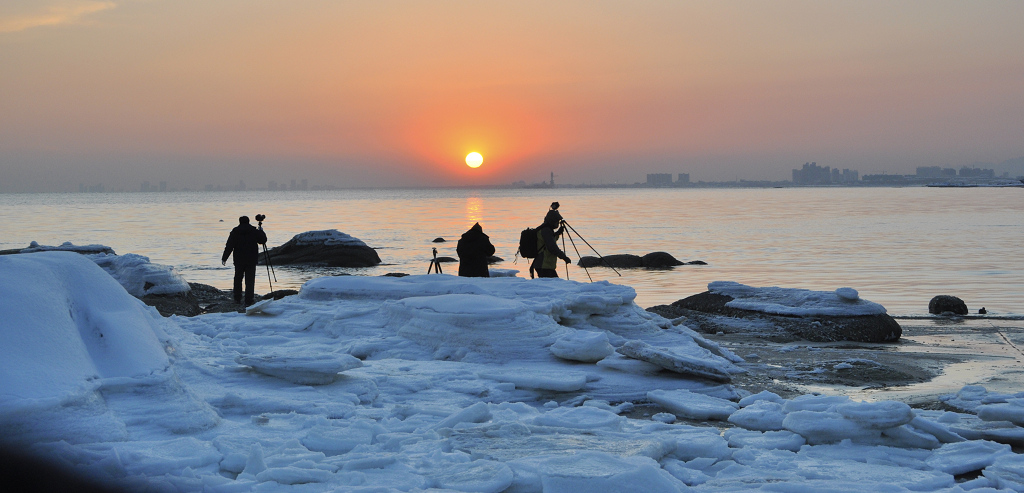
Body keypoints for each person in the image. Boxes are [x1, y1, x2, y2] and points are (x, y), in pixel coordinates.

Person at [221, 216, 268, 306]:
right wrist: (261, 231)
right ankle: (249, 300)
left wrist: (224, 258)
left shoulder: (235, 232)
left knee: (238, 278)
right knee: (250, 280)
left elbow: (229, 246)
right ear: (248, 221)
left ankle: (237, 298)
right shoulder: (254, 231)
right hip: (251, 259)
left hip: (239, 259)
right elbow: (263, 240)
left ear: (239, 222)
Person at [531, 202, 571, 278]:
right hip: (544, 265)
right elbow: (552, 247)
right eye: (557, 222)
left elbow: (548, 241)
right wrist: (564, 257)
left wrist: (558, 233)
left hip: (545, 265)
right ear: (552, 221)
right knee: (554, 285)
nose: (558, 224)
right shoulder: (546, 230)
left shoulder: (546, 229)